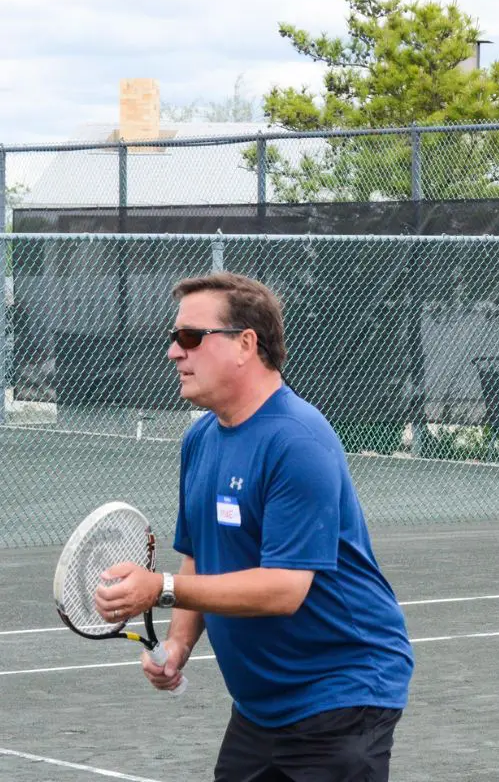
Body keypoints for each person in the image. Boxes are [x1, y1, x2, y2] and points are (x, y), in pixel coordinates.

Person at [94, 272, 414, 781]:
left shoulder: (296, 440)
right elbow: (200, 553)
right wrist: (177, 645)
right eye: (174, 338)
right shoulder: (199, 440)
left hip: (342, 694)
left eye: (191, 337)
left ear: (245, 344)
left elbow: (284, 589)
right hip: (262, 707)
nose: (175, 352)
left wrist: (159, 589)